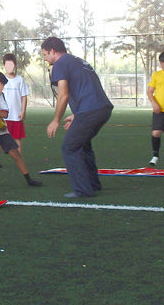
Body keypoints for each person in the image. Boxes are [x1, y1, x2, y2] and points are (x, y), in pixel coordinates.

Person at [42, 36, 113, 198]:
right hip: (102, 108)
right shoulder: (78, 61)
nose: (46, 59)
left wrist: (55, 120)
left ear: (53, 51)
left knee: (70, 147)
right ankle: (93, 184)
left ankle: (83, 190)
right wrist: (77, 115)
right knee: (82, 144)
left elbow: (63, 95)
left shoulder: (60, 64)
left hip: (90, 110)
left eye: (45, 55)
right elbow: (87, 88)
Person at [0, 71, 42, 187]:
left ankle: (29, 179)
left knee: (15, 153)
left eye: (2, 87)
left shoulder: (0, 96)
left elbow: (5, 114)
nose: (0, 90)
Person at [0, 53, 30, 168]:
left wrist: (23, 111)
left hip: (15, 115)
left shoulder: (20, 80)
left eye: (12, 64)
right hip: (3, 115)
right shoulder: (0, 80)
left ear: (15, 65)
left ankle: (19, 159)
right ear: (4, 65)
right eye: (7, 64)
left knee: (17, 138)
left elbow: (24, 96)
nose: (10, 67)